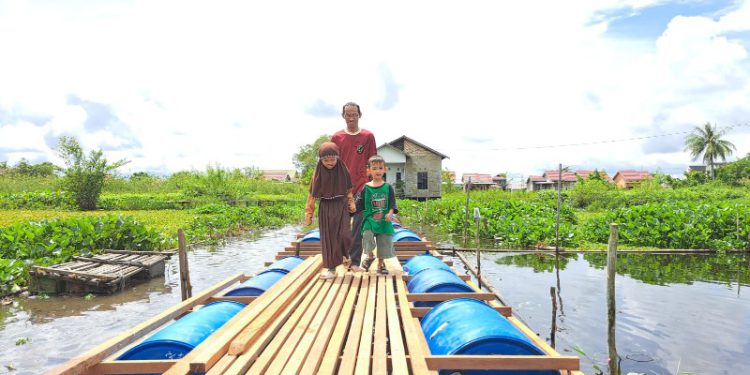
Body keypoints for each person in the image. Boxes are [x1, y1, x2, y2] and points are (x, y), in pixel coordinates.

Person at [331, 102, 377, 272]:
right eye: (348, 114)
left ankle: (356, 262)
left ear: (360, 115)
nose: (351, 117)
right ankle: (343, 257)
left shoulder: (368, 136)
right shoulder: (336, 138)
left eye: (354, 114)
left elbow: (373, 162)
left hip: (361, 187)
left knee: (357, 226)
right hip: (340, 188)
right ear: (343, 116)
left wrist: (372, 185)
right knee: (341, 227)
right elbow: (331, 163)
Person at [304, 142, 357, 279]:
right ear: (321, 160)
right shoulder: (318, 173)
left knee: (345, 234)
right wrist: (309, 213)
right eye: (326, 160)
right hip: (326, 207)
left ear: (337, 158)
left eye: (332, 159)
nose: (330, 163)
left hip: (341, 205)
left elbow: (348, 190)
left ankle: (348, 258)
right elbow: (312, 194)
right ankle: (332, 269)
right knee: (329, 239)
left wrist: (351, 203)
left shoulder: (342, 169)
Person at [358, 155, 398, 274]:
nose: (378, 171)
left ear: (385, 170)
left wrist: (390, 213)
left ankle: (381, 264)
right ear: (368, 171)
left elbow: (392, 203)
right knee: (366, 235)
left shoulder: (388, 187)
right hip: (369, 220)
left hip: (384, 221)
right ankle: (370, 256)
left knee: (384, 242)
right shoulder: (366, 187)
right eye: (374, 168)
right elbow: (360, 204)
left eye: (380, 168)